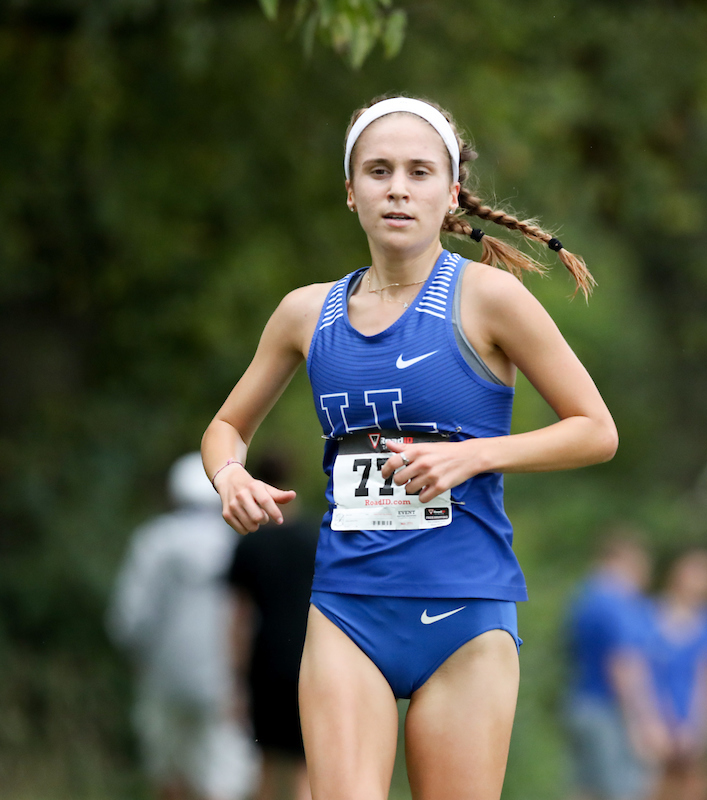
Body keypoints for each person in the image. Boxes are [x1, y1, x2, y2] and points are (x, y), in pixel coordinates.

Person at [200, 95, 618, 800]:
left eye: (419, 172)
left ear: (449, 193)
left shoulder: (491, 299)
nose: (397, 187)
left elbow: (595, 429)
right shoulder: (306, 313)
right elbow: (224, 428)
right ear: (351, 192)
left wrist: (476, 455)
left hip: (466, 613)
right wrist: (229, 475)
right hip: (346, 609)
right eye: (378, 170)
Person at [108, 452, 259, 800]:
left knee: (168, 771)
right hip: (224, 683)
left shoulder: (154, 541)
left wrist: (138, 659)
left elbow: (129, 618)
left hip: (163, 677)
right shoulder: (236, 541)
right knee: (223, 777)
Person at [226, 452, 319, 800]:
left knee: (265, 768)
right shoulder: (316, 538)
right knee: (304, 769)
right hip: (308, 659)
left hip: (264, 665)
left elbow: (238, 618)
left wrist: (235, 679)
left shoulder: (249, 544)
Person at [564, 534, 665, 800]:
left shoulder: (584, 596)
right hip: (610, 713)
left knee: (586, 790)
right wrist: (643, 724)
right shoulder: (616, 603)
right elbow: (624, 665)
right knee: (625, 790)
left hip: (580, 706)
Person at [646, 549, 707, 800]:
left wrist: (701, 730)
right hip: (652, 730)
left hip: (695, 731)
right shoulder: (647, 616)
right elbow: (640, 676)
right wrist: (651, 724)